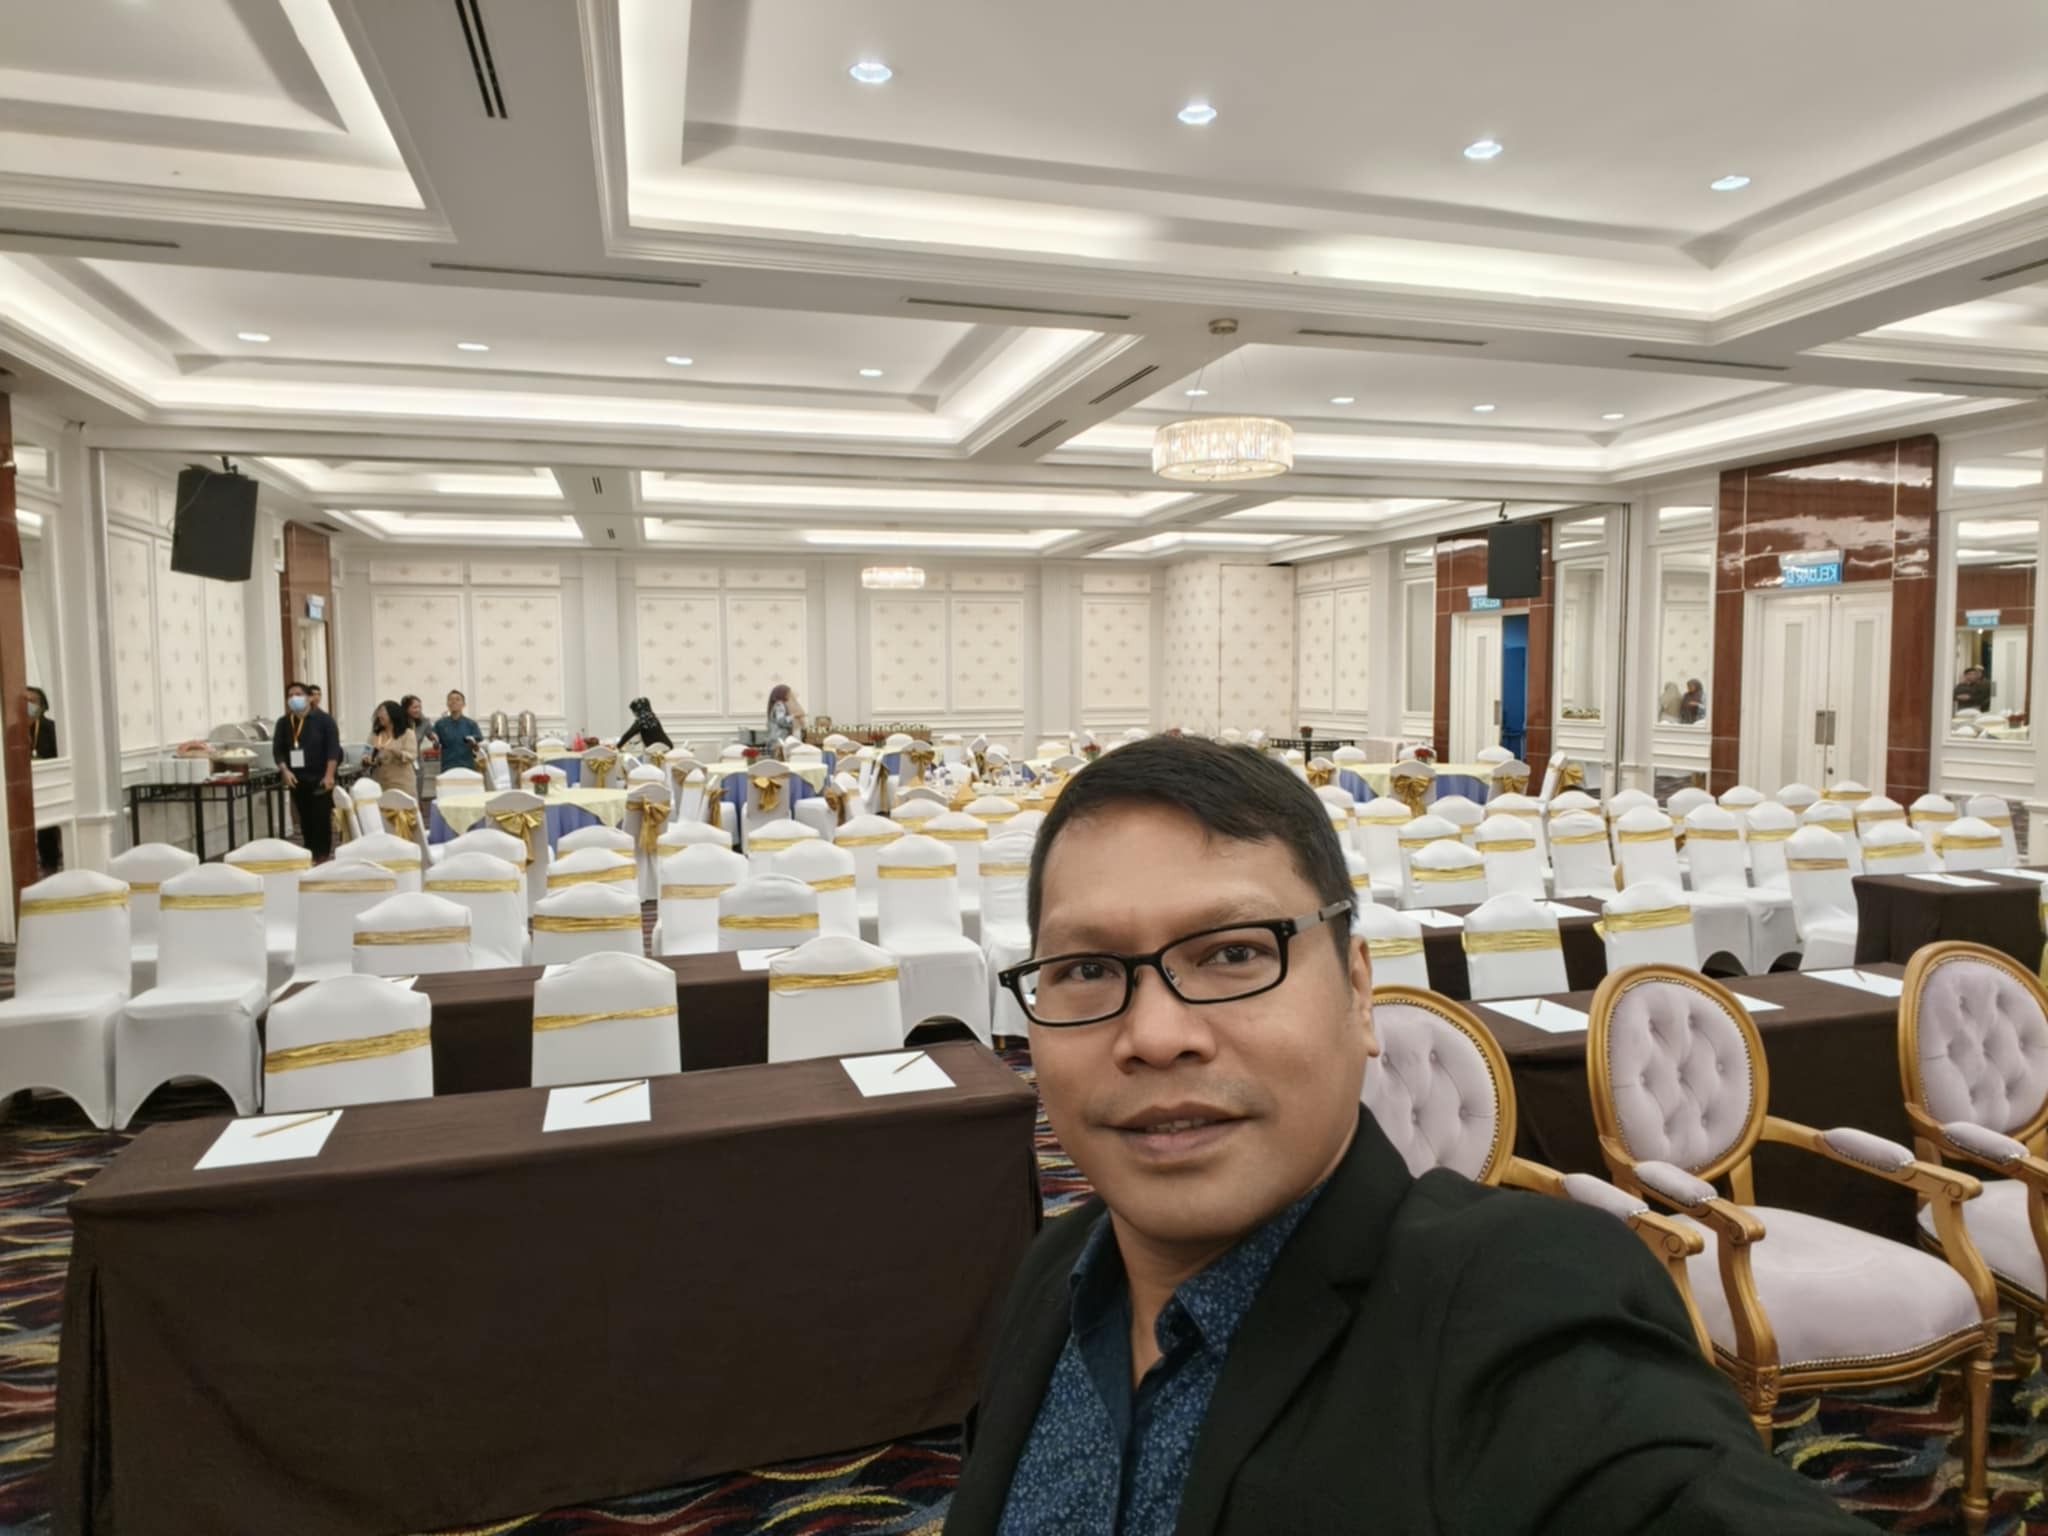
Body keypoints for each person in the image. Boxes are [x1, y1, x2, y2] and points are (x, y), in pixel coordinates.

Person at [947, 736, 1863, 1535]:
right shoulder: (1055, 1273)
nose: (1153, 1036)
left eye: (1233, 953)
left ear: (1358, 991)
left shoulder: (1517, 1307)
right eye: (1086, 969)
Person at [272, 680, 341, 861]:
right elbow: (278, 750)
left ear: (309, 698)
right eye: (290, 695)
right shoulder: (284, 723)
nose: (294, 698)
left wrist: (329, 775)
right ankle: (310, 855)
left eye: (298, 694)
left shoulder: (325, 720)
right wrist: (284, 770)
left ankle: (323, 857)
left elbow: (333, 749)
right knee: (305, 820)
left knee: (321, 820)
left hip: (321, 779)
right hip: (297, 779)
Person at [26, 686, 59, 871]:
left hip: (47, 784)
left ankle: (50, 865)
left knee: (47, 829)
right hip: (23, 786)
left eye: (32, 702)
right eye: (25, 701)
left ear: (42, 706)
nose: (28, 705)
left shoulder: (51, 728)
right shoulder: (14, 728)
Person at [363, 699, 417, 794]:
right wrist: (366, 759)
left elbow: (411, 756)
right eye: (378, 713)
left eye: (382, 712)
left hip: (402, 784)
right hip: (379, 783)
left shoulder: (407, 733)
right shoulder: (375, 734)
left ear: (393, 714)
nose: (379, 715)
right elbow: (366, 753)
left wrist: (395, 751)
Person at [432, 690, 483, 774]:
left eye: (457, 699)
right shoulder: (440, 724)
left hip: (467, 767)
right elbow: (435, 747)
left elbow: (477, 749)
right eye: (451, 699)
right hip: (447, 767)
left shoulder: (471, 724)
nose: (454, 701)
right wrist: (435, 742)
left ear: (463, 704)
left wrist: (473, 744)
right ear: (447, 704)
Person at [764, 684, 804, 750]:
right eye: (788, 693)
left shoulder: (777, 704)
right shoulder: (779, 705)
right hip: (778, 739)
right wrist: (794, 715)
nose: (790, 695)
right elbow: (781, 721)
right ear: (782, 694)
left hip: (774, 738)